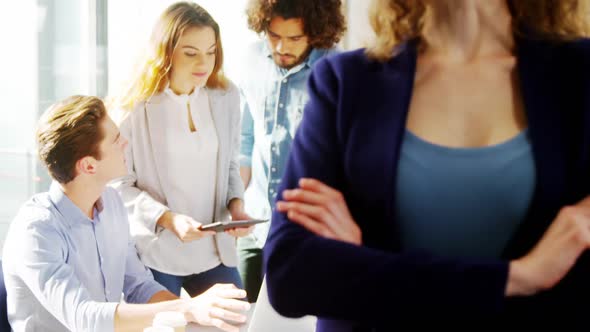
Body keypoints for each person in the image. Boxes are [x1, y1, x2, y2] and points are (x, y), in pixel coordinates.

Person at [264, 0, 590, 330]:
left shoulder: (580, 76)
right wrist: (519, 277)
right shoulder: (346, 82)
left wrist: (368, 263)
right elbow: (290, 273)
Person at [2, 96, 250, 332]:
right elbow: (84, 318)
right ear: (89, 165)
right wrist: (188, 308)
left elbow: (139, 285)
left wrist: (205, 318)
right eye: (116, 139)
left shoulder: (111, 203)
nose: (125, 143)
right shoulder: (36, 231)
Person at [111, 2, 251, 298]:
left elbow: (228, 163)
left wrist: (236, 205)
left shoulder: (226, 96)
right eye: (191, 53)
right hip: (156, 251)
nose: (204, 63)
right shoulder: (132, 106)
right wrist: (168, 219)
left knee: (235, 322)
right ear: (165, 52)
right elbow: (118, 185)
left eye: (211, 51)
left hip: (214, 251)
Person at [237, 0, 346, 302]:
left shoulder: (338, 73)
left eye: (295, 38)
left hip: (307, 233)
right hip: (254, 224)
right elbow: (245, 141)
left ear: (316, 33)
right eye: (274, 35)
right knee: (243, 317)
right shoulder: (250, 60)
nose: (281, 47)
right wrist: (235, 201)